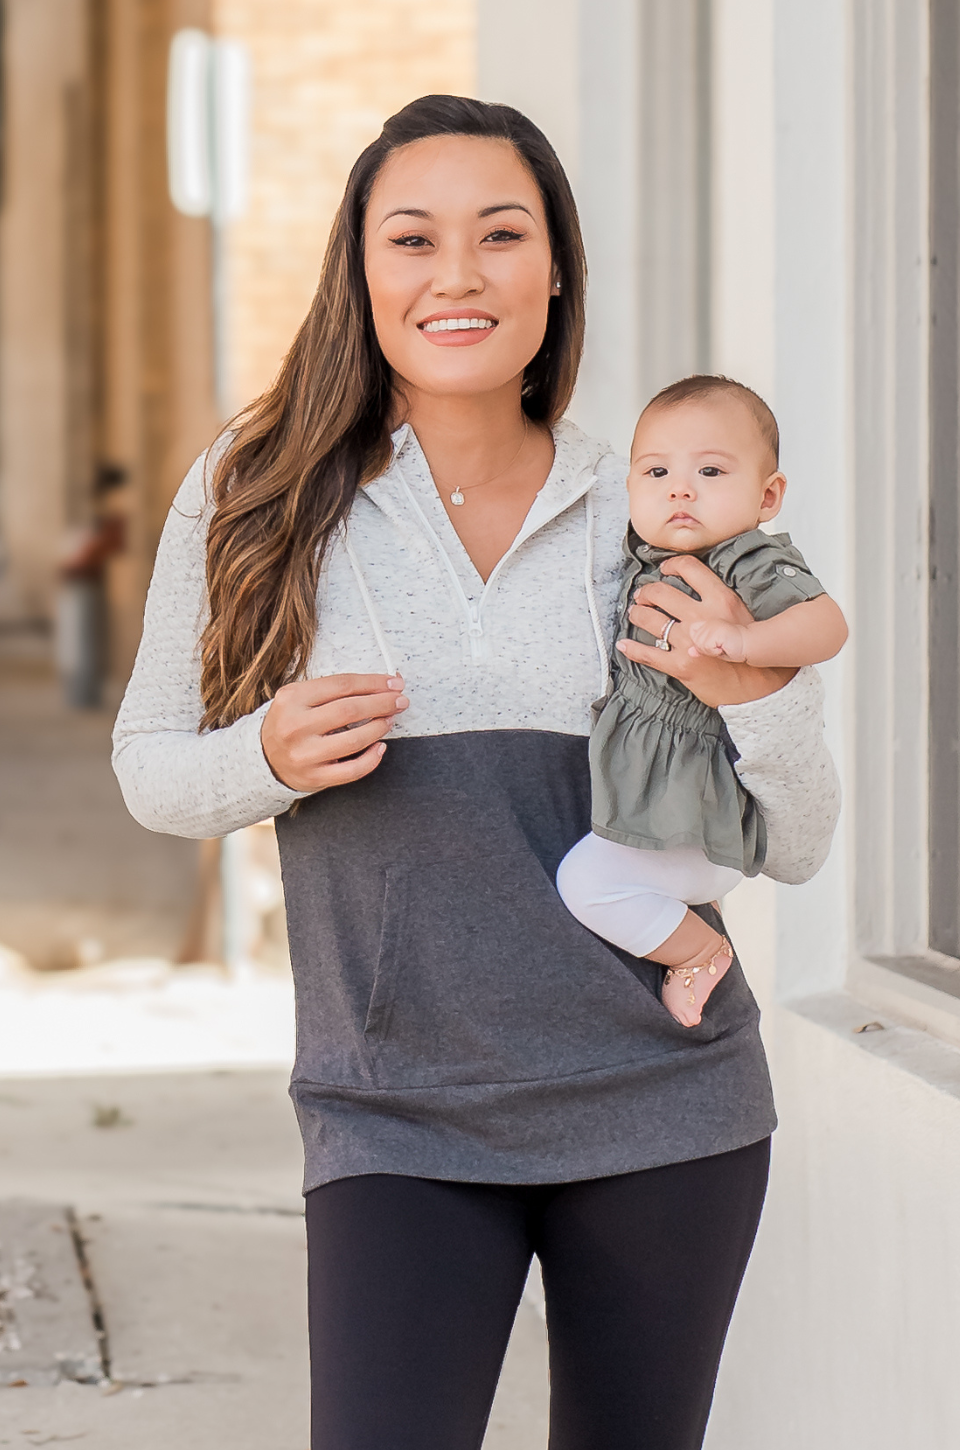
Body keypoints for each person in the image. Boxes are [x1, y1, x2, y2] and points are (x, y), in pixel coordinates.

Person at [113, 96, 840, 1450]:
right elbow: (151, 769)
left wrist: (766, 698)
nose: (459, 275)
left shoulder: (652, 504)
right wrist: (262, 757)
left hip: (662, 1105)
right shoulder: (256, 493)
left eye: (502, 234)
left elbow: (793, 841)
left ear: (554, 265)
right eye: (414, 238)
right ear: (363, 269)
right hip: (392, 1113)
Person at [557, 375, 847, 1027]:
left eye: (711, 470)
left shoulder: (749, 560)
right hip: (659, 792)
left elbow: (828, 626)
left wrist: (749, 640)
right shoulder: (643, 553)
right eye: (656, 472)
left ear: (768, 495)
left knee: (587, 885)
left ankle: (698, 952)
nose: (680, 489)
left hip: (695, 798)